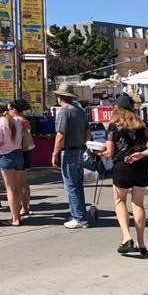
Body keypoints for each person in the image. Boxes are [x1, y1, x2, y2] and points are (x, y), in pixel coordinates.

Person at [102, 94, 148, 256]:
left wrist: (98, 151)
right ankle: (141, 243)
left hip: (122, 166)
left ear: (117, 108)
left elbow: (109, 152)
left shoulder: (113, 126)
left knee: (119, 200)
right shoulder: (143, 125)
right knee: (138, 204)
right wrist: (143, 154)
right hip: (142, 166)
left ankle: (126, 238)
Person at [52, 83, 91, 229]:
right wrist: (86, 146)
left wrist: (55, 152)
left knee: (71, 186)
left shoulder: (63, 111)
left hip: (69, 151)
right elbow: (88, 131)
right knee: (78, 185)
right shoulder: (79, 110)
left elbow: (60, 134)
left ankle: (79, 218)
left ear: (60, 97)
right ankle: (79, 214)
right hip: (81, 149)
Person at [0, 103, 24, 226]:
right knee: (18, 187)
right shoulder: (17, 121)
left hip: (6, 156)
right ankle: (19, 214)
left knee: (11, 189)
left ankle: (15, 218)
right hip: (19, 154)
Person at [9, 99, 32, 216]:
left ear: (14, 109)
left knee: (20, 182)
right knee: (23, 182)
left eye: (10, 109)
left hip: (19, 151)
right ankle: (25, 206)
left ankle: (24, 207)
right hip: (25, 151)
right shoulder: (24, 120)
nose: (9, 111)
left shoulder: (18, 120)